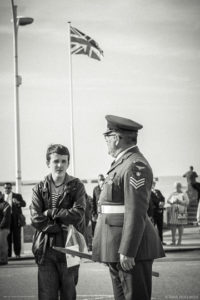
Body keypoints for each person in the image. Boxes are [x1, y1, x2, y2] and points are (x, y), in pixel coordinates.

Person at [92, 115, 165, 300]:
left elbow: (136, 211)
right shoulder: (123, 163)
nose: (106, 142)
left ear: (116, 138)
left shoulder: (134, 165)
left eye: (107, 137)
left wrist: (128, 249)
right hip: (117, 246)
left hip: (130, 249)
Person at [30, 144, 86, 300]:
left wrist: (50, 212)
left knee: (69, 295)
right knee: (47, 295)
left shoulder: (77, 186)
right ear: (48, 163)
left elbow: (78, 214)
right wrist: (56, 227)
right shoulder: (39, 188)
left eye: (63, 161)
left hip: (71, 247)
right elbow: (35, 217)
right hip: (45, 248)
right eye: (55, 161)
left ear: (68, 163)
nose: (60, 165)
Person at [3, 182, 26, 258]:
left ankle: (17, 254)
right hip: (6, 219)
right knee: (7, 238)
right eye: (6, 188)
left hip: (15, 219)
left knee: (17, 237)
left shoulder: (17, 196)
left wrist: (18, 202)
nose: (7, 189)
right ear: (4, 188)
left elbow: (24, 204)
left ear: (11, 188)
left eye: (9, 188)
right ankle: (8, 255)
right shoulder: (1, 197)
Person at [0, 191, 11, 265]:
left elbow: (6, 217)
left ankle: (3, 260)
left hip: (3, 228)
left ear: (1, 195)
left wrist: (0, 226)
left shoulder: (6, 205)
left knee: (2, 244)